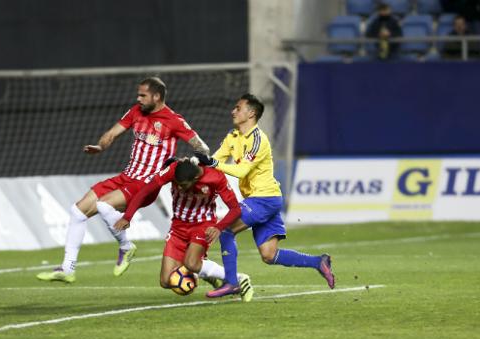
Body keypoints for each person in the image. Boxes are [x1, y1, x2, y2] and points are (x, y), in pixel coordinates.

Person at [37, 77, 210, 283]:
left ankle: (126, 247)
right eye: (138, 95)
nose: (138, 99)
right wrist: (101, 146)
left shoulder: (173, 120)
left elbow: (203, 148)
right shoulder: (135, 112)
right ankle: (67, 268)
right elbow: (112, 133)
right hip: (126, 176)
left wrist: (187, 163)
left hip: (146, 183)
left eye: (143, 95)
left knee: (103, 206)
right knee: (77, 211)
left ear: (156, 96)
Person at [195, 94, 335, 298]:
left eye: (238, 107)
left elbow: (240, 170)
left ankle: (232, 282)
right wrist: (187, 163)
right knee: (269, 255)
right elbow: (212, 160)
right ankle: (318, 261)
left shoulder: (258, 139)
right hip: (262, 200)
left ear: (251, 113)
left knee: (225, 229)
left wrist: (212, 164)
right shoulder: (233, 137)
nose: (233, 111)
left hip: (264, 199)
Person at [113, 158, 253, 301]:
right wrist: (127, 216)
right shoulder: (174, 170)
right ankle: (206, 273)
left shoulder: (215, 177)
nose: (179, 188)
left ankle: (238, 278)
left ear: (196, 178)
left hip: (202, 225)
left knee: (191, 263)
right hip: (178, 227)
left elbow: (235, 209)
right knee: (167, 281)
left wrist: (218, 227)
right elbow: (145, 191)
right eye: (177, 184)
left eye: (183, 185)